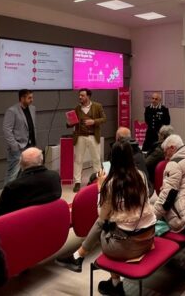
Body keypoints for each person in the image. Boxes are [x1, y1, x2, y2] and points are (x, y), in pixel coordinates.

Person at [56, 141, 155, 296]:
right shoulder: (140, 176)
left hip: (129, 246)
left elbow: (101, 215)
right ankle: (84, 261)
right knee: (110, 225)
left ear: (113, 159)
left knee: (104, 228)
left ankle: (81, 258)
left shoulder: (111, 184)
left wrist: (100, 188)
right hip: (148, 238)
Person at [0, 147, 61, 219]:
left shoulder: (13, 187)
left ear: (21, 164)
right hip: (50, 220)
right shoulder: (54, 177)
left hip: (21, 224)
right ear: (41, 161)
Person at [69, 88, 106, 192]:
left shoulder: (97, 106)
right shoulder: (77, 108)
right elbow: (72, 122)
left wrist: (93, 121)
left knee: (96, 159)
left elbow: (104, 118)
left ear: (88, 96)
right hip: (80, 136)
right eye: (79, 95)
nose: (80, 97)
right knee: (78, 160)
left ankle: (98, 181)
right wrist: (69, 122)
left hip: (93, 136)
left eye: (82, 95)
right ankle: (77, 182)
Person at [2, 89, 36, 185]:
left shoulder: (32, 108)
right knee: (13, 174)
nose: (32, 100)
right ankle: (7, 193)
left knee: (26, 174)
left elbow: (32, 127)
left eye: (32, 97)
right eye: (29, 98)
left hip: (30, 147)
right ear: (22, 98)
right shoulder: (12, 111)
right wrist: (14, 146)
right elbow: (7, 129)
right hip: (18, 148)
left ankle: (21, 192)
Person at [114, 127, 151, 195]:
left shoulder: (122, 153)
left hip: (134, 192)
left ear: (118, 139)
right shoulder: (137, 149)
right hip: (145, 189)